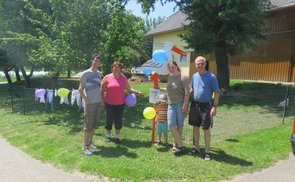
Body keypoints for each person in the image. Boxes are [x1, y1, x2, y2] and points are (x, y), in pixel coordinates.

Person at [101, 61, 144, 143]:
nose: (116, 69)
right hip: (109, 103)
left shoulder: (123, 78)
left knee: (118, 120)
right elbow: (102, 90)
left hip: (120, 104)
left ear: (120, 69)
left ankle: (117, 137)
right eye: (114, 67)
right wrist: (102, 100)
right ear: (112, 68)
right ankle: (108, 136)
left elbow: (129, 89)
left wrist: (138, 92)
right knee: (108, 120)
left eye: (118, 67)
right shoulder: (107, 77)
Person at [189, 56, 220, 160]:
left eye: (202, 63)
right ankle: (196, 148)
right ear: (195, 65)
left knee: (206, 128)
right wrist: (184, 97)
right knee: (195, 127)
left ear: (205, 64)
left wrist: (214, 107)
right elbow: (192, 89)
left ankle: (207, 152)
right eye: (198, 63)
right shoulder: (194, 76)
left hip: (206, 106)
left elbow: (216, 93)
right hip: (195, 104)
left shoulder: (211, 77)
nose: (200, 65)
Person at [161, 61, 190, 155]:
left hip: (180, 104)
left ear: (177, 66)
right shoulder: (170, 77)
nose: (171, 69)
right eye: (169, 68)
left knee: (179, 125)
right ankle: (180, 145)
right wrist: (160, 89)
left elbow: (187, 92)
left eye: (173, 67)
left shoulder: (183, 77)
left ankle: (175, 144)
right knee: (171, 124)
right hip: (171, 104)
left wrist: (185, 105)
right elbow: (170, 89)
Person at [78, 54, 103, 156]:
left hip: (98, 102)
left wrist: (102, 99)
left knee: (94, 124)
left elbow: (99, 88)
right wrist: (85, 99)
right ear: (92, 61)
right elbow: (80, 89)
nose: (96, 63)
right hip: (89, 104)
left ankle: (90, 142)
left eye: (98, 61)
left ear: (100, 63)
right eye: (95, 60)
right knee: (88, 125)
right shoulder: (86, 73)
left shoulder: (99, 74)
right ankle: (84, 147)